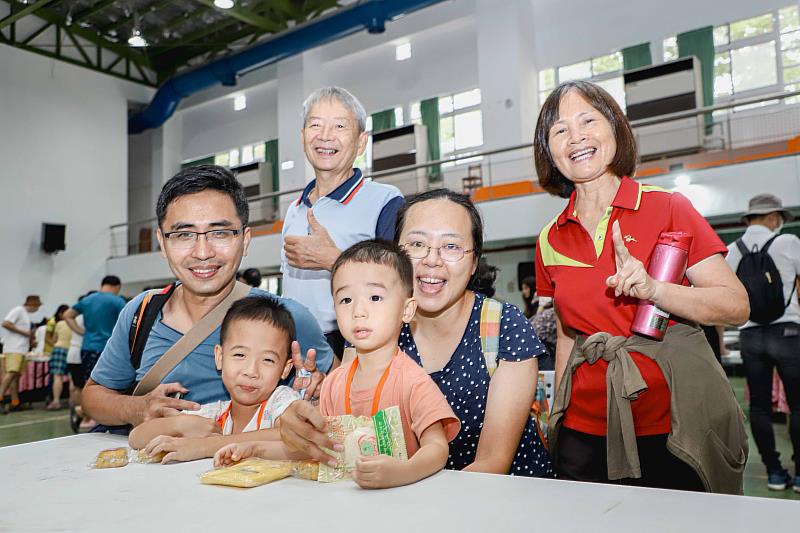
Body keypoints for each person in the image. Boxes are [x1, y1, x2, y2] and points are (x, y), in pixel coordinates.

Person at [533, 80, 749, 492]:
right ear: (549, 152)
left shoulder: (667, 207)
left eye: (588, 121)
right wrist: (556, 412)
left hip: (670, 421)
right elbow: (566, 333)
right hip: (584, 425)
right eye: (559, 130)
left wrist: (656, 290)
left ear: (616, 129)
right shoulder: (549, 238)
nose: (575, 136)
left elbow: (735, 305)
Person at [276, 189, 554, 478]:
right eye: (417, 244)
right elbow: (353, 427)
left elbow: (493, 463)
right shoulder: (373, 324)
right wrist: (313, 410)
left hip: (496, 499)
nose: (432, 260)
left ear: (473, 263)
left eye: (451, 246)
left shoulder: (504, 326)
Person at [82, 165, 332, 438]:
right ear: (162, 243)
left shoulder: (287, 318)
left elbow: (346, 391)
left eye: (220, 233)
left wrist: (325, 390)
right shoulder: (141, 313)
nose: (202, 252)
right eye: (183, 234)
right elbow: (94, 396)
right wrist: (137, 408)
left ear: (245, 241)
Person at [217, 240, 460, 489]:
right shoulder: (334, 382)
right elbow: (317, 447)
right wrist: (254, 448)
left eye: (375, 297)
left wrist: (403, 472)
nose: (358, 311)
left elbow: (437, 448)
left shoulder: (413, 382)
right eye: (345, 300)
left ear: (407, 309)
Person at [281, 86, 404, 363]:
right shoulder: (294, 209)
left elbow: (398, 284)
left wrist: (332, 259)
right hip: (295, 348)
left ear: (361, 142)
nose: (325, 136)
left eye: (339, 126)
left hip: (353, 345)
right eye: (315, 125)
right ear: (303, 137)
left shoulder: (385, 200)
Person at [129, 296, 301, 463]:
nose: (251, 371)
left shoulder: (280, 402)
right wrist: (180, 424)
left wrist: (204, 446)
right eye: (240, 355)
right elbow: (136, 437)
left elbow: (293, 434)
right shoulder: (215, 415)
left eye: (268, 360)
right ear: (219, 357)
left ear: (285, 368)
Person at [725, 193, 800, 492]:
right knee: (798, 405)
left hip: (751, 335)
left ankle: (774, 472)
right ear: (772, 218)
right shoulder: (788, 243)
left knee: (758, 408)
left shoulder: (732, 251)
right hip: (788, 333)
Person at [64, 276, 126, 388]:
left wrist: (81, 332)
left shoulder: (87, 300)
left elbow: (67, 315)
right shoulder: (118, 301)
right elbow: (127, 323)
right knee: (107, 385)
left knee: (89, 384)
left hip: (87, 348)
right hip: (108, 349)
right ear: (117, 287)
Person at [1, 295, 41, 414]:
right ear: (33, 304)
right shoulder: (18, 310)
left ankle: (15, 402)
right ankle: (1, 396)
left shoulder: (25, 314)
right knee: (11, 373)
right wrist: (25, 333)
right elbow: (6, 323)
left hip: (21, 349)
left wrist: (30, 339)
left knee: (16, 376)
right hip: (14, 348)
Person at [46, 304, 70, 410]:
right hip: (72, 349)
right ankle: (73, 401)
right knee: (72, 378)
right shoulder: (77, 322)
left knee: (57, 376)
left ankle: (56, 401)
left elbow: (54, 339)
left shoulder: (59, 323)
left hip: (59, 349)